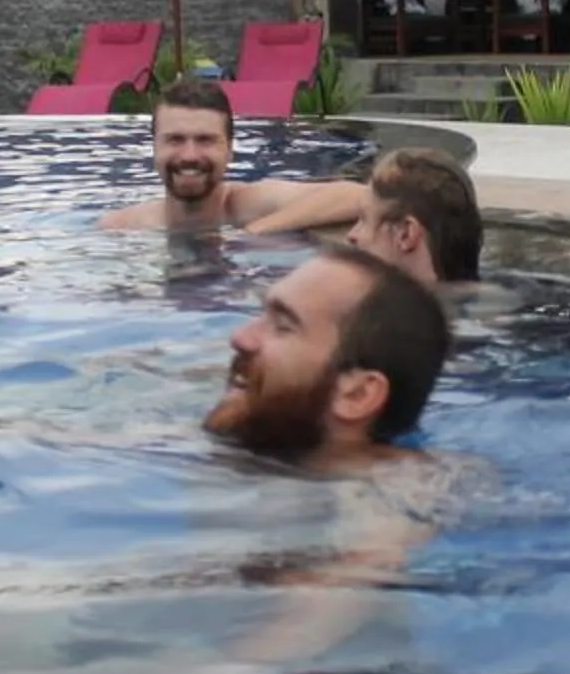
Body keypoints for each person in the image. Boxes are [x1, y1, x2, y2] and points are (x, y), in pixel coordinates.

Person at [204, 247, 450, 467]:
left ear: (357, 394)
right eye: (263, 314)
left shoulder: (389, 502)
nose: (240, 337)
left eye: (282, 325)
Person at [96, 79, 357, 234]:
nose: (189, 155)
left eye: (205, 140)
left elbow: (358, 196)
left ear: (230, 149)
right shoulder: (122, 227)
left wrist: (255, 232)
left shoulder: (248, 204)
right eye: (175, 139)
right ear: (154, 147)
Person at [240, 146, 483, 287]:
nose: (351, 236)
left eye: (364, 219)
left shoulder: (390, 326)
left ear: (405, 234)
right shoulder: (493, 306)